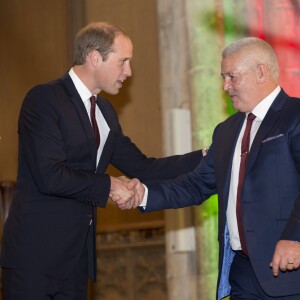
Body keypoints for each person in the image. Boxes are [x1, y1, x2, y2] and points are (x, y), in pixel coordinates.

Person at [0, 22, 203, 300]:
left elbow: (143, 167)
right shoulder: (44, 99)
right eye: (123, 62)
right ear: (95, 57)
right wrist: (110, 186)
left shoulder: (105, 112)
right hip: (35, 258)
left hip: (77, 260)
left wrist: (207, 157)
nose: (129, 72)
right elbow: (50, 175)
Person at [112, 37, 300, 299]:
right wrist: (142, 194)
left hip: (289, 271)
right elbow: (195, 184)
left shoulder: (295, 115)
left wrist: (295, 238)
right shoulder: (226, 131)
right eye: (223, 77)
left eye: (232, 77)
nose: (225, 86)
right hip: (243, 274)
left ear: (261, 72)